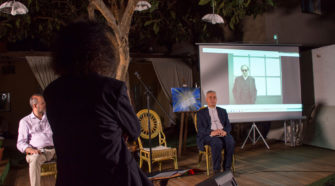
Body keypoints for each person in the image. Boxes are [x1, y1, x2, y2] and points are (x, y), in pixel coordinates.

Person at [43, 21, 152, 186]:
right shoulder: (110, 88)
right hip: (112, 176)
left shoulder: (51, 92)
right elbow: (135, 130)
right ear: (99, 52)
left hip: (71, 178)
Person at [17, 94, 55, 186]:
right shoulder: (25, 121)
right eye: (42, 103)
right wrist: (30, 150)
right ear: (35, 106)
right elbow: (20, 142)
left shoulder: (50, 118)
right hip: (38, 152)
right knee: (34, 159)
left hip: (54, 150)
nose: (45, 104)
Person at [196, 90, 235, 173]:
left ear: (216, 99)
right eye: (210, 97)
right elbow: (200, 128)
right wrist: (211, 132)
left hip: (222, 133)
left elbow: (228, 125)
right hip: (209, 135)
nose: (212, 99)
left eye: (214, 97)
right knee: (217, 143)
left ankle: (227, 168)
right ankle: (216, 170)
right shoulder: (201, 113)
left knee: (230, 141)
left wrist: (225, 131)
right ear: (206, 99)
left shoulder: (222, 111)